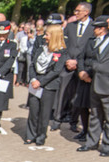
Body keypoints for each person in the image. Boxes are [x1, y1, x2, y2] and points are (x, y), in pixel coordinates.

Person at [51, 2, 94, 132]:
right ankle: (57, 119)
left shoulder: (93, 28)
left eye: (78, 11)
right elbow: (63, 45)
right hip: (67, 64)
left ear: (86, 12)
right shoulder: (70, 26)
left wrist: (79, 63)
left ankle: (73, 121)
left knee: (78, 95)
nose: (75, 13)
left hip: (83, 67)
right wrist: (68, 60)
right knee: (62, 93)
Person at [24, 24, 68, 145]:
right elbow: (32, 64)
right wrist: (33, 79)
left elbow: (56, 71)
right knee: (33, 110)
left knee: (44, 113)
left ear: (54, 36)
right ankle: (30, 135)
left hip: (49, 85)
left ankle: (40, 136)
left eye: (47, 34)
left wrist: (41, 82)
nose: (45, 36)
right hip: (35, 83)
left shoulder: (61, 51)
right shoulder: (40, 48)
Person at [76, 16, 109, 156]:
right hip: (95, 82)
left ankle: (106, 146)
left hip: (107, 84)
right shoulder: (95, 42)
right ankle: (91, 142)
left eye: (96, 27)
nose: (93, 30)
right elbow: (92, 59)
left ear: (102, 29)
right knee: (95, 114)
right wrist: (86, 72)